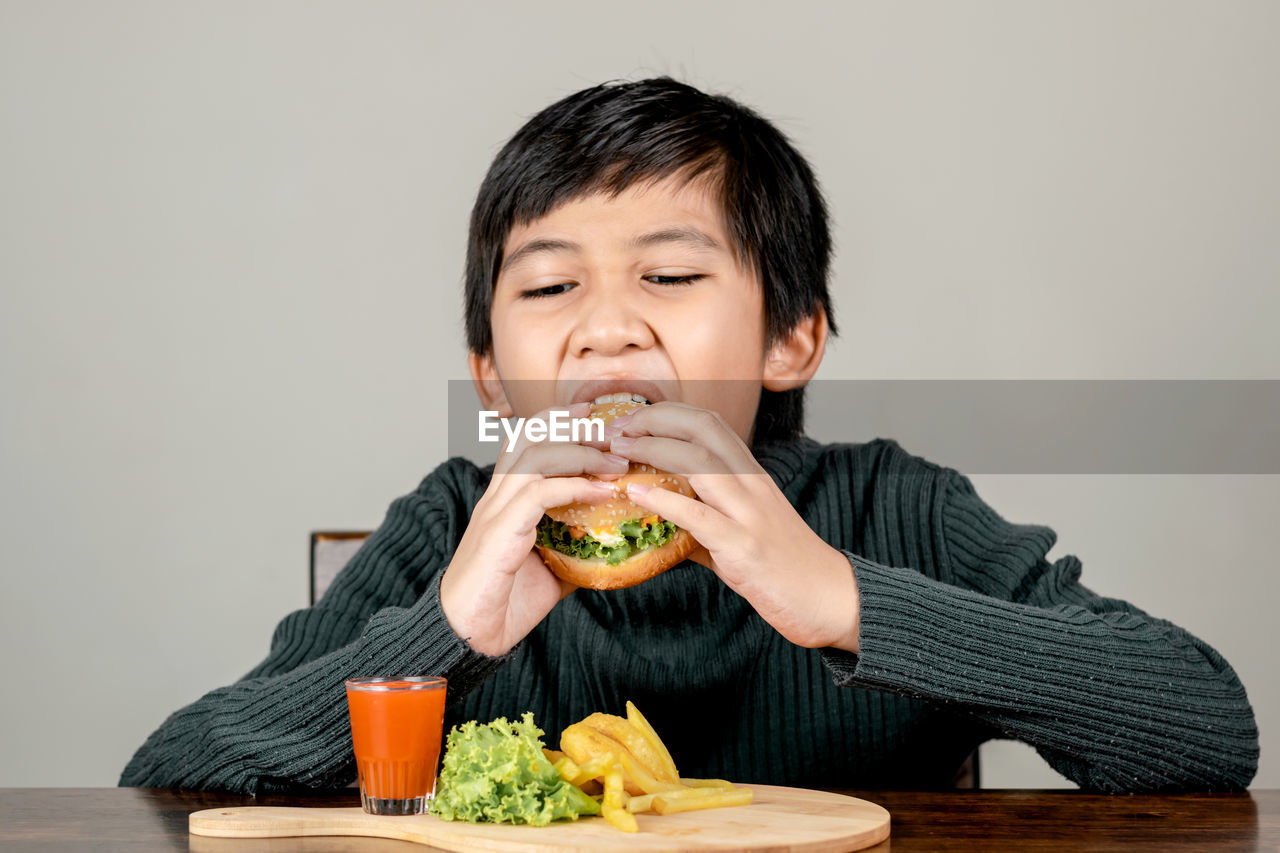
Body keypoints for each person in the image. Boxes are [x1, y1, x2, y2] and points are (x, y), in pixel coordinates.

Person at [120, 76, 1258, 794]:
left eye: (668, 273)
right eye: (548, 289)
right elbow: (174, 777)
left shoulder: (893, 510)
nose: (606, 329)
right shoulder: (456, 524)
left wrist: (841, 596)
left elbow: (1206, 728)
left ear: (791, 340)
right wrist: (447, 630)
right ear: (492, 379)